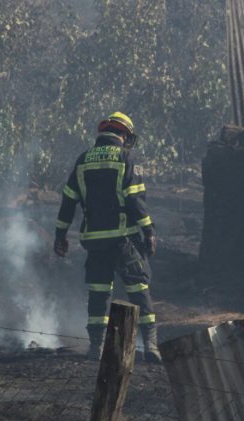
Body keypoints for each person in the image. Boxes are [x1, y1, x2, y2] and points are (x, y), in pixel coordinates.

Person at [53, 112, 161, 363]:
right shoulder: (125, 158)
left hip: (96, 242)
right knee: (139, 289)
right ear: (123, 134)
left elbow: (68, 201)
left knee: (99, 293)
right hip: (125, 240)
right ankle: (151, 346)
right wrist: (149, 232)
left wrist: (60, 235)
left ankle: (96, 348)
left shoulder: (83, 160)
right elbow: (135, 200)